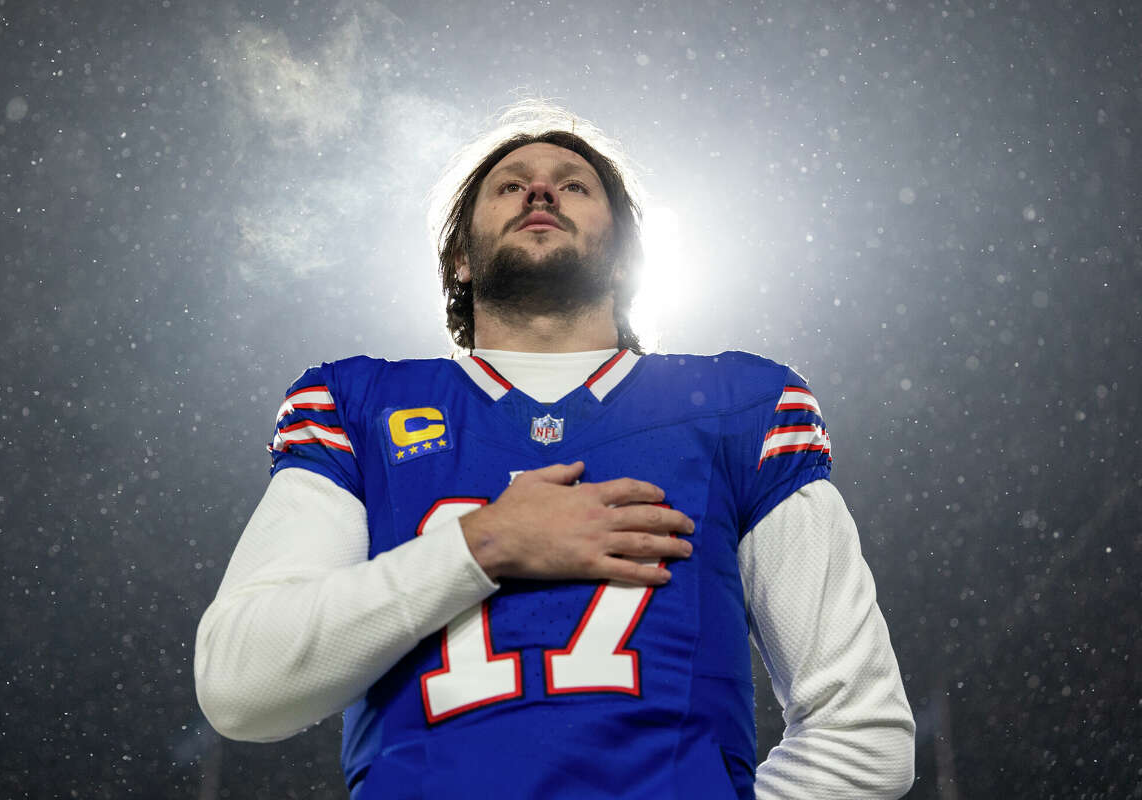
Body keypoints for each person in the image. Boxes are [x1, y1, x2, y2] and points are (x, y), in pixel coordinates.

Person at [194, 101, 916, 799]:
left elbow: (862, 735)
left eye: (574, 184)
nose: (541, 188)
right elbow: (243, 686)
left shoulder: (739, 407)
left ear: (632, 259)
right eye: (510, 185)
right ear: (460, 259)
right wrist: (484, 544)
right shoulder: (358, 408)